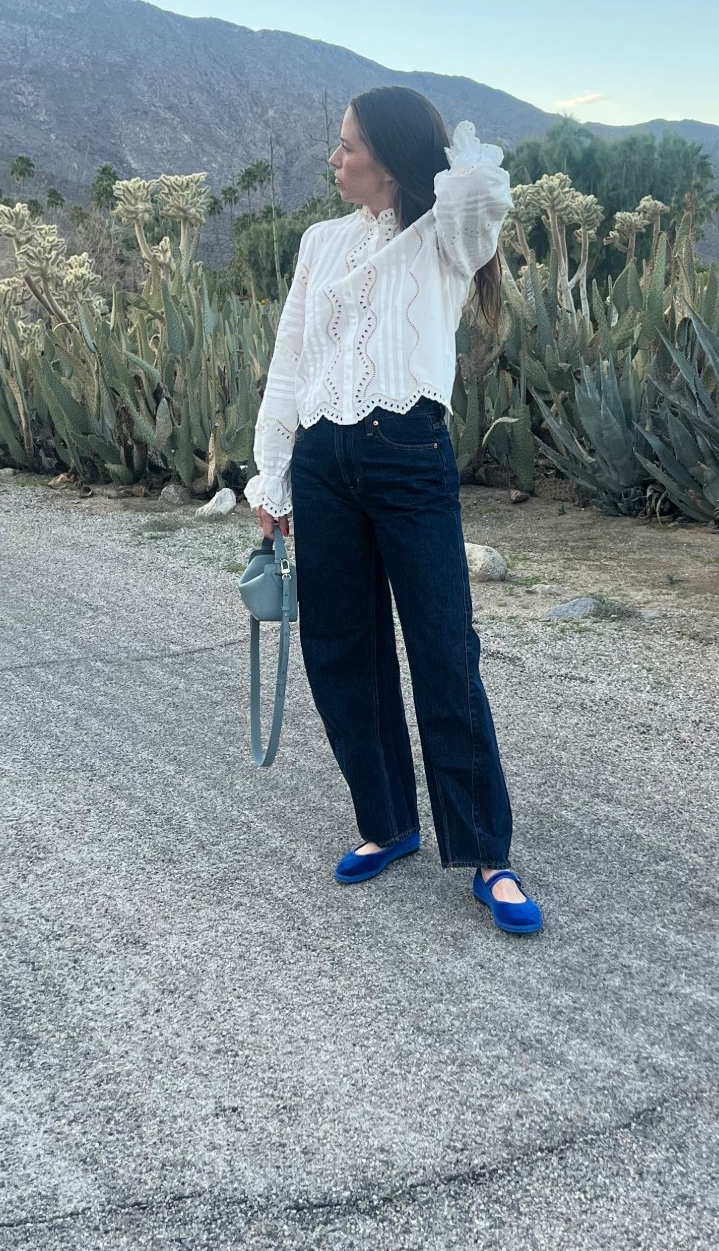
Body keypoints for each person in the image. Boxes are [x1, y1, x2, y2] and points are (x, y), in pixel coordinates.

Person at [243, 85, 542, 936]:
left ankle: (488, 852)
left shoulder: (446, 237)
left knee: (444, 648)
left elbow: (479, 193)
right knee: (339, 645)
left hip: (407, 452)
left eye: (347, 147)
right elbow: (287, 362)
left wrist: (434, 160)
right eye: (336, 144)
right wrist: (272, 483)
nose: (333, 159)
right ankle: (388, 823)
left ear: (389, 159)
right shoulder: (318, 242)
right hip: (322, 457)